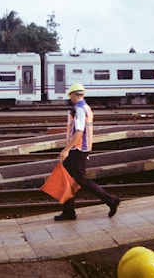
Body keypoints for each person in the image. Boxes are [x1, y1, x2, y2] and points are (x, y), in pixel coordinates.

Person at [55, 83, 120, 221]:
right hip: (80, 148)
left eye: (70, 96)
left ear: (73, 95)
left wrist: (65, 150)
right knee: (67, 179)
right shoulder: (86, 107)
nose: (70, 99)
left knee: (81, 180)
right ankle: (68, 211)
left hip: (77, 150)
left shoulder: (79, 109)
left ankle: (111, 200)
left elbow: (79, 132)